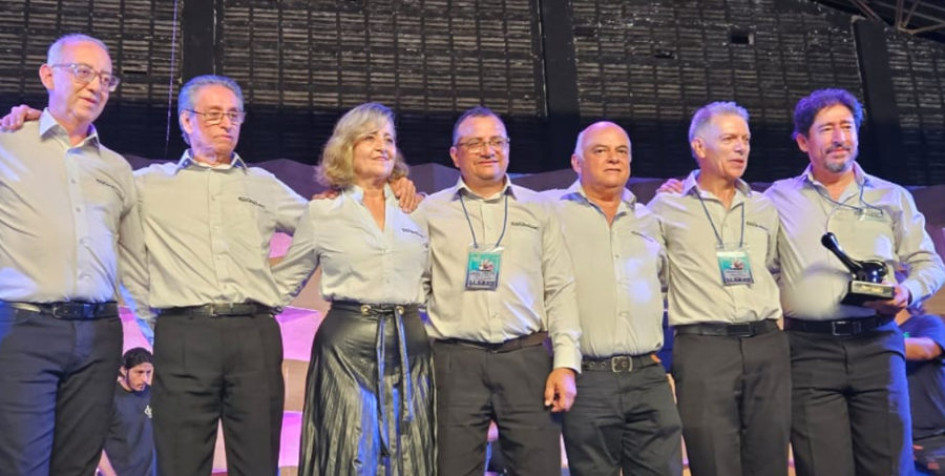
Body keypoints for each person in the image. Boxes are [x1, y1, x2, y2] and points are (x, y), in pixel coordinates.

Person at [765, 88, 945, 476]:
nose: (839, 137)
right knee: (823, 467)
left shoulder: (892, 196)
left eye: (846, 126)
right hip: (807, 349)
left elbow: (929, 263)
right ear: (802, 141)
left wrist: (907, 291)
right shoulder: (777, 198)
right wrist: (684, 183)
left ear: (857, 135)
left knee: (889, 466)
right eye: (826, 128)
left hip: (878, 345)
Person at [0, 33, 149, 476]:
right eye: (82, 71)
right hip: (24, 329)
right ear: (48, 75)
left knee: (78, 467)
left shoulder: (117, 168)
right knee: (19, 465)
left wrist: (157, 333)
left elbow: (135, 263)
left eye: (106, 78)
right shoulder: (7, 142)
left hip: (100, 336)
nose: (96, 85)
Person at [415, 106, 581, 476]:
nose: (488, 150)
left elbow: (560, 288)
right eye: (474, 143)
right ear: (455, 155)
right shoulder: (430, 211)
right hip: (455, 363)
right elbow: (413, 283)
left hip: (526, 360)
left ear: (508, 147)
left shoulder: (540, 208)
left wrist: (566, 364)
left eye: (496, 141)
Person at [272, 102, 434, 475]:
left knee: (408, 453)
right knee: (348, 451)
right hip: (346, 343)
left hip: (409, 342)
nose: (383, 146)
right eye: (370, 138)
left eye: (389, 139)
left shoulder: (417, 209)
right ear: (346, 147)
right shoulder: (323, 212)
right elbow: (286, 280)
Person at [648, 102, 790, 476]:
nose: (741, 147)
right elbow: (651, 279)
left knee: (770, 459)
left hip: (766, 345)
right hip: (703, 347)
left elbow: (776, 268)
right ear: (699, 147)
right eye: (729, 139)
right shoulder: (665, 206)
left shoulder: (765, 206)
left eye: (745, 139)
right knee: (712, 459)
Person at [544, 121, 682, 476]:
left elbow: (665, 287)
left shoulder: (651, 218)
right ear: (577, 162)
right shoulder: (549, 212)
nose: (613, 159)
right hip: (589, 378)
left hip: (648, 376)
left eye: (622, 151)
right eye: (600, 151)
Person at [896, 307, 945, 475]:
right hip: (901, 441)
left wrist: (874, 346)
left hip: (936, 437)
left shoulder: (927, 322)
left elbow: (927, 349)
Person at [99, 348, 156, 476]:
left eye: (148, 372)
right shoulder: (109, 398)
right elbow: (94, 444)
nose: (144, 379)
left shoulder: (153, 394)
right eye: (139, 372)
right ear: (124, 370)